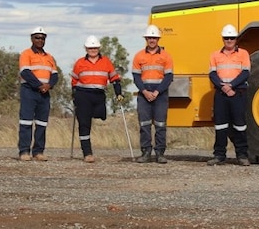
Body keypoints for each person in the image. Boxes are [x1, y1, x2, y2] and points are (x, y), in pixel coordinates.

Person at [70, 35, 124, 163]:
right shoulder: (80, 63)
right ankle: (87, 153)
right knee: (84, 123)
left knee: (101, 114)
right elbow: (74, 80)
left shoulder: (106, 62)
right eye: (90, 48)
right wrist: (74, 95)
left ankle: (98, 115)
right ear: (86, 49)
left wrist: (119, 93)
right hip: (83, 94)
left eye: (95, 48)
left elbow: (115, 79)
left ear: (99, 48)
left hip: (99, 94)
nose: (92, 50)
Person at [207, 24, 251, 166]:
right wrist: (223, 87)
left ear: (236, 39)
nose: (229, 40)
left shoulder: (243, 54)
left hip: (237, 93)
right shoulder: (215, 55)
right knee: (220, 126)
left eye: (232, 38)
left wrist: (231, 86)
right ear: (223, 39)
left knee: (240, 125)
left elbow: (245, 73)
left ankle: (242, 155)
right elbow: (212, 74)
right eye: (227, 38)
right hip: (221, 94)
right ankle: (219, 155)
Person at [132, 24, 174, 164]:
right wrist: (144, 91)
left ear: (158, 39)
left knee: (160, 124)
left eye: (154, 38)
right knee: (144, 124)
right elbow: (136, 77)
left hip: (160, 93)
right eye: (149, 37)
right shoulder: (139, 56)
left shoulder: (166, 56)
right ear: (146, 39)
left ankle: (160, 153)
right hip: (144, 93)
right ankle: (145, 152)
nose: (152, 40)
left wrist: (157, 92)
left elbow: (168, 77)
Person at [18, 27, 59, 162]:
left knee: (42, 123)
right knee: (26, 122)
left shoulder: (49, 57)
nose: (40, 40)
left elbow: (54, 74)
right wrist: (39, 85)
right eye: (37, 37)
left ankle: (38, 151)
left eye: (42, 38)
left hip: (45, 93)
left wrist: (49, 85)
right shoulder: (26, 54)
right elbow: (25, 72)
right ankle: (24, 151)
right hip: (29, 91)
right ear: (32, 38)